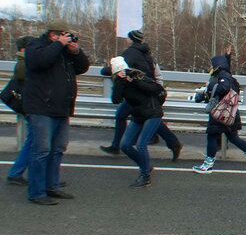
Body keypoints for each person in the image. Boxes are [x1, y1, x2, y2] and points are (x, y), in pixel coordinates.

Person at [23, 19, 90, 205]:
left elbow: (82, 67)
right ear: (54, 35)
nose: (67, 39)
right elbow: (40, 62)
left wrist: (75, 52)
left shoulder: (63, 52)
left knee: (57, 150)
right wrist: (59, 45)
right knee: (41, 151)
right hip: (41, 107)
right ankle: (37, 192)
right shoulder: (36, 46)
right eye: (64, 35)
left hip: (61, 108)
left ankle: (52, 186)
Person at [99, 29, 183, 162]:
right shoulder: (146, 52)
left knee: (123, 115)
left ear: (131, 39)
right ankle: (173, 143)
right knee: (149, 116)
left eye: (128, 38)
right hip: (147, 90)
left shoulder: (130, 53)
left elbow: (121, 69)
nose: (126, 40)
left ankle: (118, 146)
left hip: (138, 91)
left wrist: (105, 70)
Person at [192, 54, 246, 174]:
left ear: (217, 65)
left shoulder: (223, 76)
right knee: (233, 137)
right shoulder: (226, 75)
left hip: (220, 113)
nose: (211, 67)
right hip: (229, 113)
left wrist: (209, 91)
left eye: (212, 64)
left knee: (212, 136)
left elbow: (223, 88)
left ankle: (208, 165)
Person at [110, 57, 164, 187]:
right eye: (119, 72)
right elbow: (116, 99)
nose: (123, 73)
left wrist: (134, 81)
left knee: (141, 145)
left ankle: (145, 175)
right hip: (138, 115)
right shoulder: (120, 83)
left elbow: (156, 89)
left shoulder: (138, 76)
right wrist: (121, 82)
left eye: (124, 71)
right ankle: (145, 165)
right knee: (125, 145)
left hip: (153, 113)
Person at [6, 36, 35, 185]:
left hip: (29, 104)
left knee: (34, 140)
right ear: (24, 49)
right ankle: (16, 173)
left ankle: (19, 173)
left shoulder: (23, 61)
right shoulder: (24, 63)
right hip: (31, 105)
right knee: (33, 141)